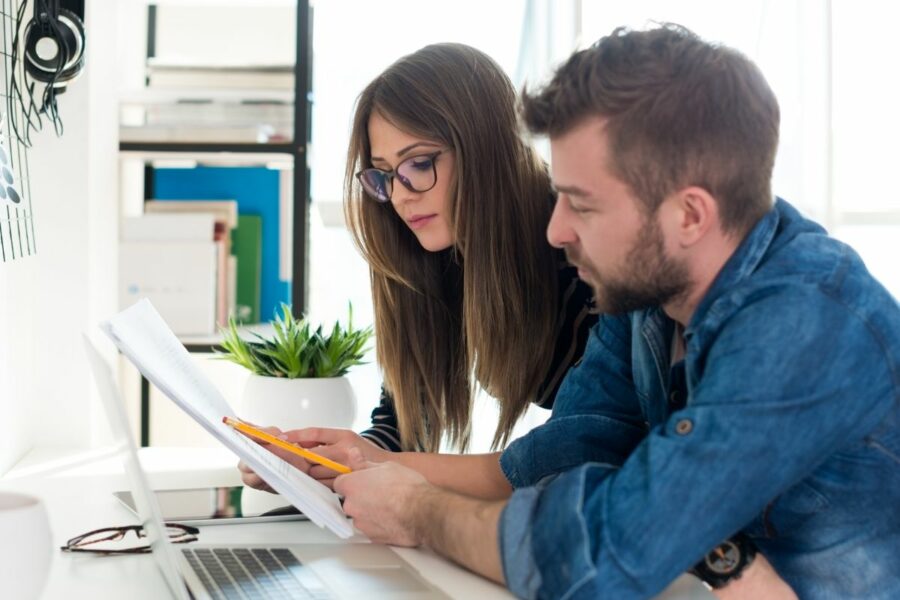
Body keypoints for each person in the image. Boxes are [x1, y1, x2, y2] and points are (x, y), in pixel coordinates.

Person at [328, 24, 900, 599]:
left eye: (580, 204)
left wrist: (419, 510)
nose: (555, 228)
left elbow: (598, 555)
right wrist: (718, 552)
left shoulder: (802, 323)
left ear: (689, 215)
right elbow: (568, 459)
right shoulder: (643, 301)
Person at [239, 43, 596, 497]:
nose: (401, 194)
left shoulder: (583, 254)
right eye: (384, 174)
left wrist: (371, 463)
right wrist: (320, 465)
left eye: (420, 163)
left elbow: (570, 459)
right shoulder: (438, 255)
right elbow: (401, 430)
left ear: (486, 147)